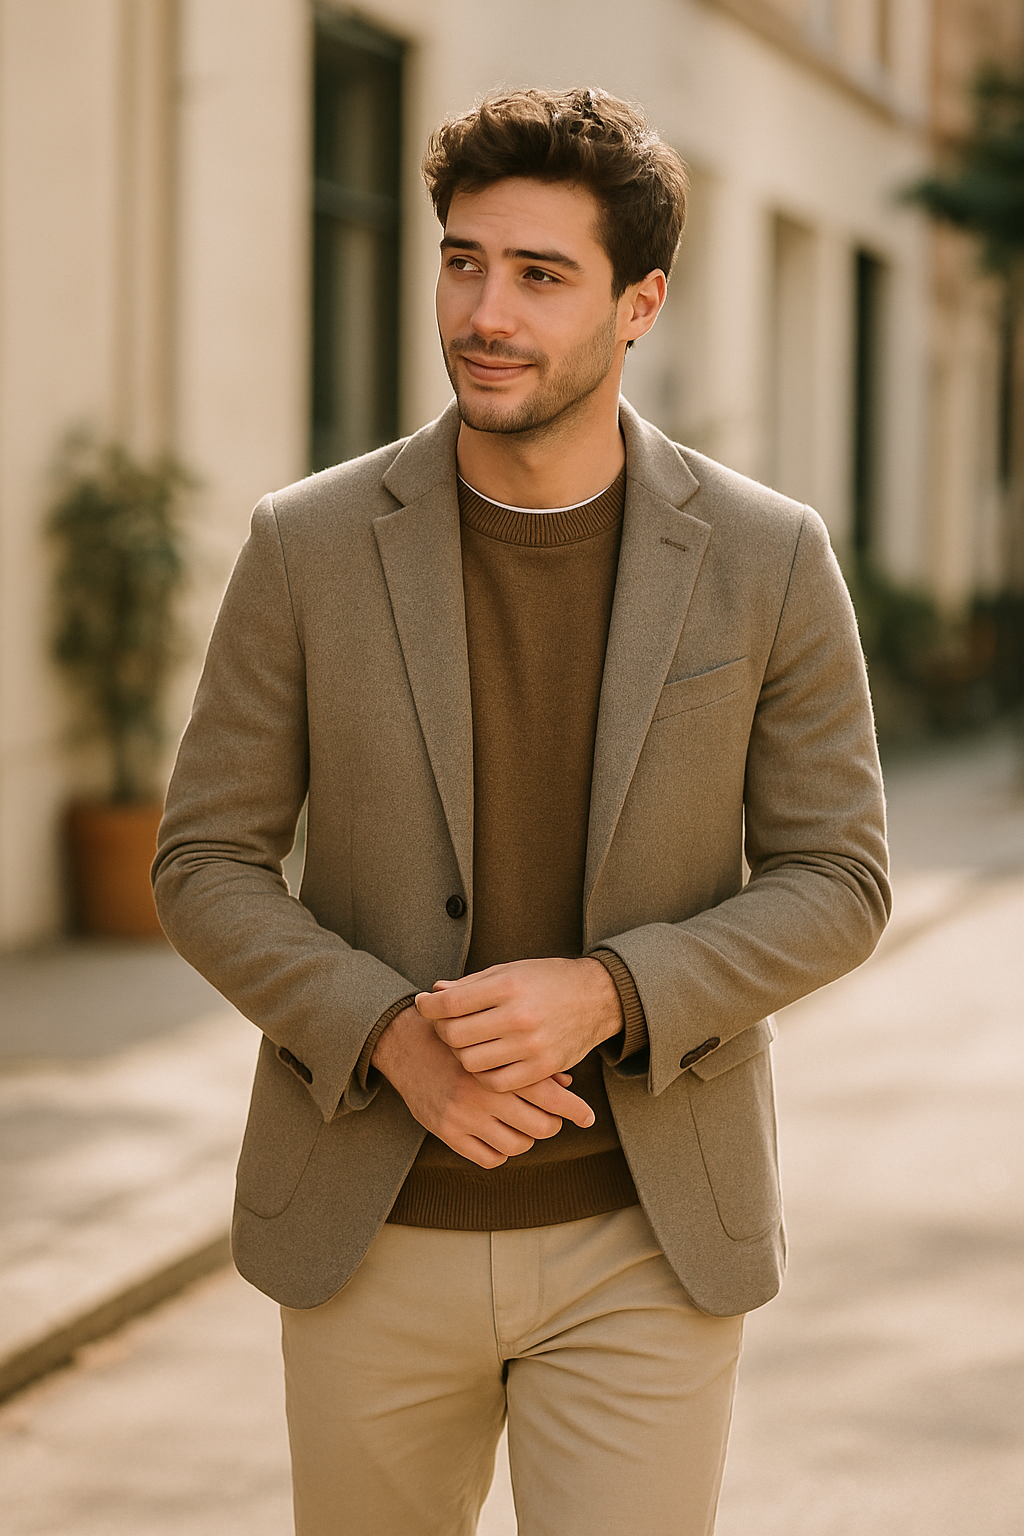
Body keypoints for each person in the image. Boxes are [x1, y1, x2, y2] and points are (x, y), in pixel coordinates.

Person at [153, 87, 889, 1536]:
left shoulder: (768, 557)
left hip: (648, 1237)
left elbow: (840, 879)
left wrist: (612, 992)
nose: (485, 313)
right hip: (370, 1228)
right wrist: (387, 1035)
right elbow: (205, 860)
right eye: (463, 261)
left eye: (542, 275)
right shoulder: (304, 545)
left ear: (639, 304)